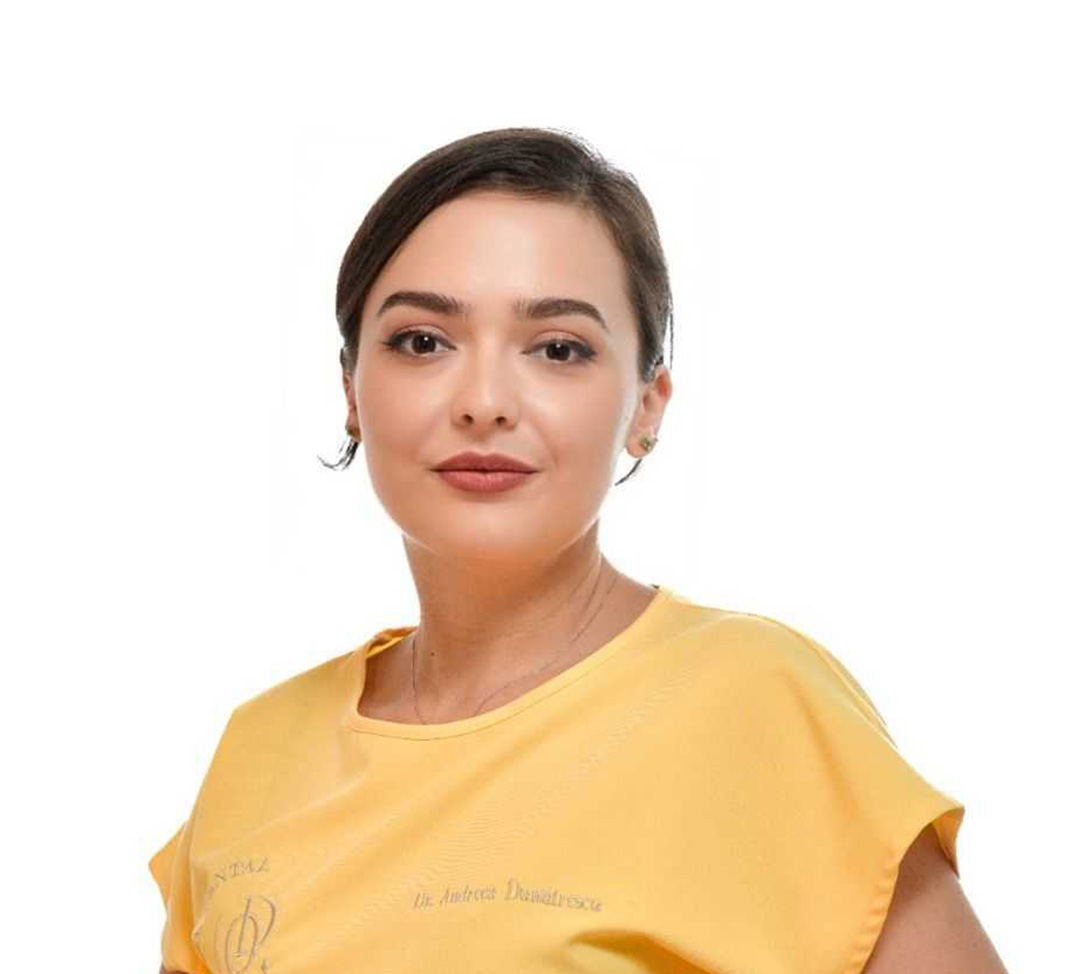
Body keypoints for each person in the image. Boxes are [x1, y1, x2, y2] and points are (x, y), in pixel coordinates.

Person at [149, 127, 1009, 973]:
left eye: (559, 349)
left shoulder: (760, 700)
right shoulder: (258, 750)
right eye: (422, 341)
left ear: (647, 405)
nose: (484, 401)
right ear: (350, 390)